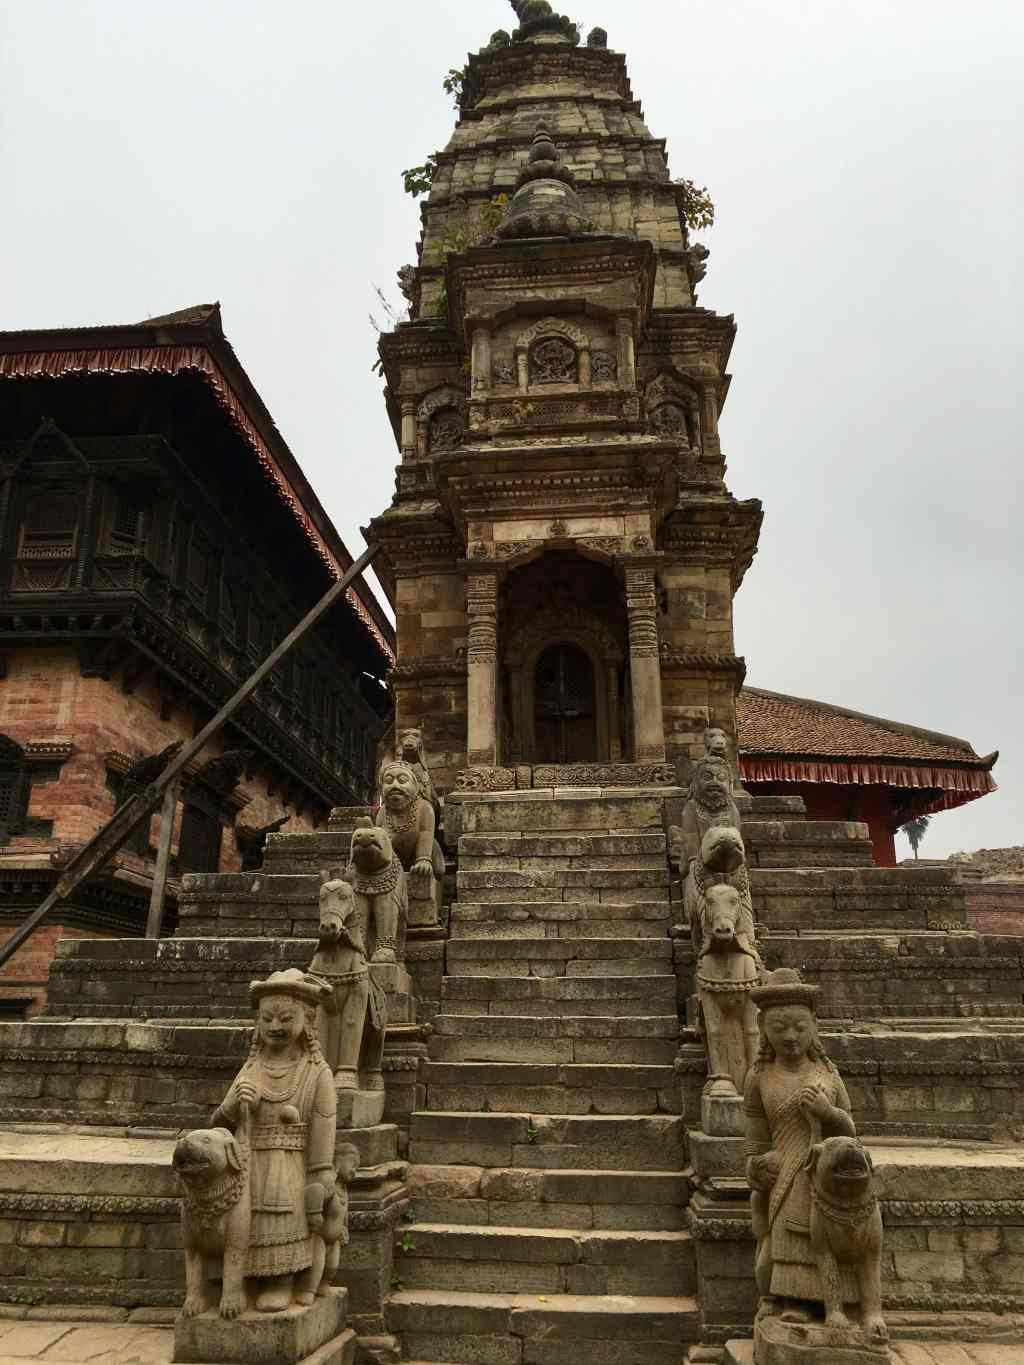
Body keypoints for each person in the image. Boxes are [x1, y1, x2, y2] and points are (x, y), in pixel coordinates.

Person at [211, 969, 338, 1312]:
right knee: (243, 1224)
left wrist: (320, 1179)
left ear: (307, 1020)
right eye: (267, 1018)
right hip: (248, 1163)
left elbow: (324, 1137)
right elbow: (217, 1128)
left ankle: (281, 1279)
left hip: (290, 1166)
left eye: (285, 1018)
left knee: (283, 1215)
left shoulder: (317, 1073)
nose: (275, 1026)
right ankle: (240, 1279)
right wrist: (231, 1105)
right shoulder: (251, 1068)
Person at [743, 968, 857, 1315]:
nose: (791, 1037)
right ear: (762, 1028)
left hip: (825, 1174)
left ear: (814, 1027)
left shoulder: (828, 1074)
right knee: (787, 1235)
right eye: (779, 1028)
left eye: (800, 1027)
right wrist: (755, 1167)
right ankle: (790, 1299)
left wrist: (828, 1113)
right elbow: (755, 1142)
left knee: (825, 1237)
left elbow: (851, 1135)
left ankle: (832, 1302)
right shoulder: (758, 1078)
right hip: (784, 1175)